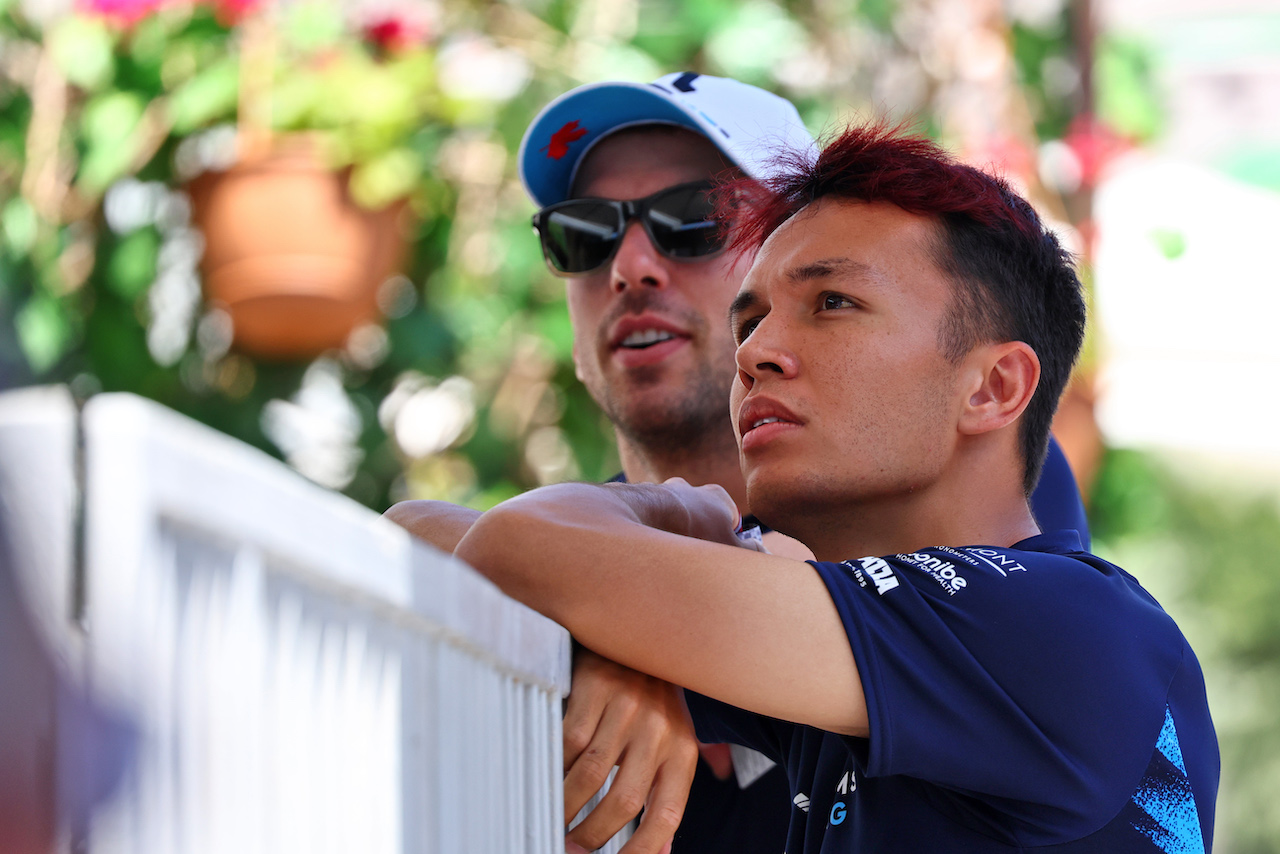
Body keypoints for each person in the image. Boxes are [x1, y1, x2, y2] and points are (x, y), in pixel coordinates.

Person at [398, 120, 1218, 852]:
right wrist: (619, 638)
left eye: (833, 302)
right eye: (749, 320)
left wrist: (664, 523)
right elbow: (414, 536)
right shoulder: (857, 650)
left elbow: (517, 545)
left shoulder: (1068, 628)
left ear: (994, 388)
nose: (756, 353)